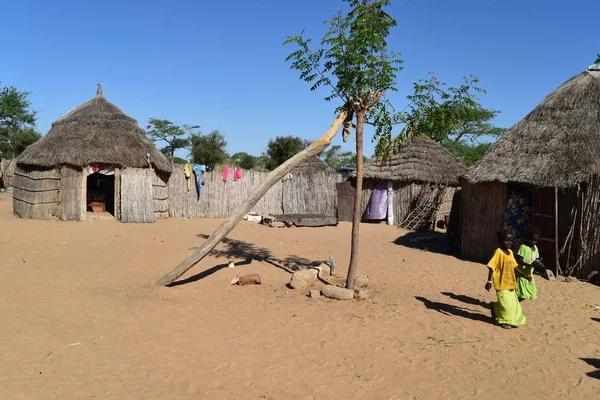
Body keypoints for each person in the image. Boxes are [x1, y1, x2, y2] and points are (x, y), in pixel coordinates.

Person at [485, 230, 531, 329]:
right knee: (506, 305)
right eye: (506, 240)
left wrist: (524, 275)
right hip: (501, 284)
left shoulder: (510, 252)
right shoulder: (498, 252)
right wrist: (489, 281)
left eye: (511, 240)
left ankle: (495, 307)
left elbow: (514, 266)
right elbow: (491, 267)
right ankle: (503, 321)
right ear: (500, 241)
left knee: (513, 304)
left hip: (510, 283)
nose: (509, 243)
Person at [514, 227, 546, 301]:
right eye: (532, 240)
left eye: (536, 241)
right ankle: (513, 305)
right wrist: (530, 265)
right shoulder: (523, 247)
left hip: (529, 273)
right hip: (521, 274)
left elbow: (536, 258)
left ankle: (514, 304)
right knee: (521, 293)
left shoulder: (535, 248)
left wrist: (538, 263)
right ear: (528, 239)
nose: (534, 242)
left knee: (530, 291)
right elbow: (520, 261)